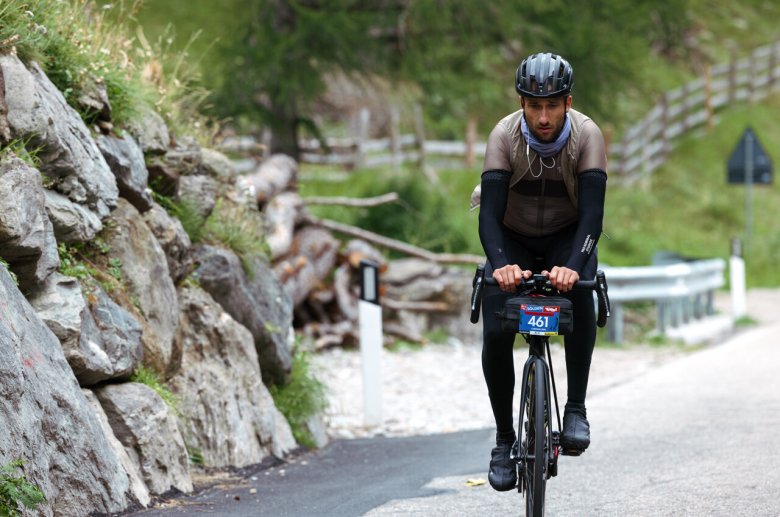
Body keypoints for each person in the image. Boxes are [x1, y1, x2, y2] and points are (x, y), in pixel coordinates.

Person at [477, 52, 607, 491]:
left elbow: (592, 218)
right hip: (511, 238)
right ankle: (502, 440)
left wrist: (573, 267)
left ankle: (575, 409)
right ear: (522, 103)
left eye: (552, 105)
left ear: (568, 102)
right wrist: (501, 265)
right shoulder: (503, 135)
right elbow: (488, 217)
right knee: (496, 328)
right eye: (534, 106)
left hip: (567, 238)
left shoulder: (588, 136)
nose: (544, 116)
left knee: (581, 295)